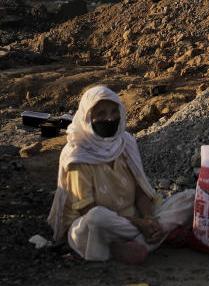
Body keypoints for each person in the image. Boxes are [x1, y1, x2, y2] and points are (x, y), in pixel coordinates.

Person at [48, 86, 194, 264]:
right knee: (96, 218)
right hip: (99, 226)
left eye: (113, 112)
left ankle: (134, 243)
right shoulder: (78, 156)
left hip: (135, 219)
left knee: (191, 198)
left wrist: (148, 218)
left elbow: (141, 191)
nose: (109, 118)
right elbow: (87, 210)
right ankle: (154, 237)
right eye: (101, 114)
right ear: (88, 118)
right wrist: (141, 224)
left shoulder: (125, 143)